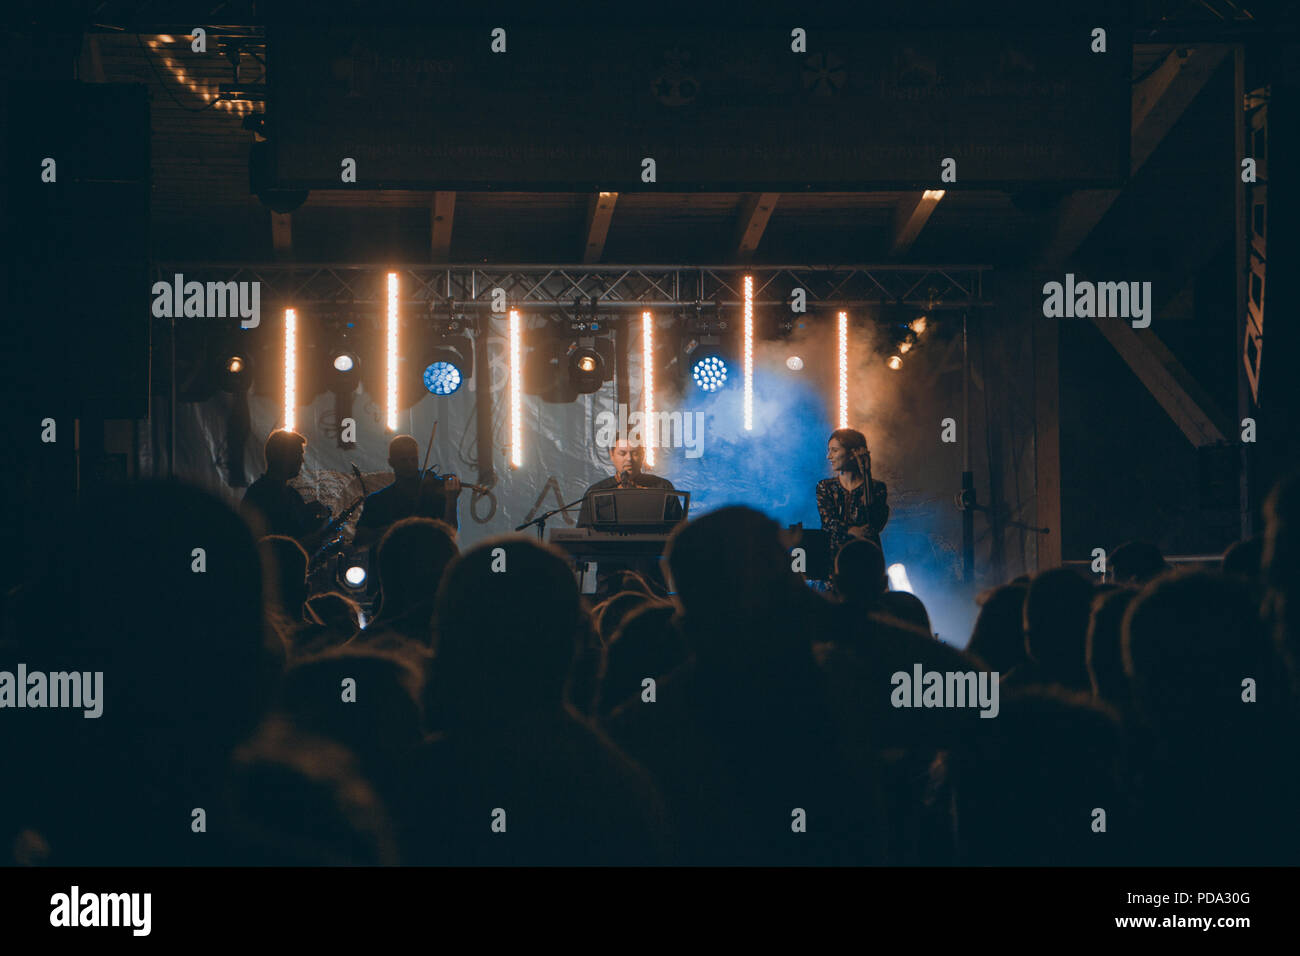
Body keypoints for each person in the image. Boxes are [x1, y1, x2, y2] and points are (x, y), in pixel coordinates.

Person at [354, 435, 463, 548]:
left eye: (414, 459)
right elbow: (359, 540)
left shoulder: (433, 497)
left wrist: (451, 501)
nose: (410, 465)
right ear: (391, 462)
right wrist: (394, 530)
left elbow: (451, 534)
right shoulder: (377, 500)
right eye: (403, 460)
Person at [240, 429, 331, 549]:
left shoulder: (291, 495)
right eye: (299, 454)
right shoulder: (259, 496)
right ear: (285, 457)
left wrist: (313, 515)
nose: (302, 461)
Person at [816, 428, 889, 566]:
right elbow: (828, 522)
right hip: (834, 561)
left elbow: (875, 522)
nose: (829, 456)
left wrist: (867, 473)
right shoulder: (825, 487)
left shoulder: (877, 488)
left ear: (852, 453)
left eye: (834, 450)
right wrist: (852, 531)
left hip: (866, 560)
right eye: (829, 450)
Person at [576, 439, 676, 527]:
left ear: (643, 455)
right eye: (623, 453)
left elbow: (678, 530)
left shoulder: (663, 487)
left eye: (635, 453)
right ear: (612, 455)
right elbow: (584, 533)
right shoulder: (596, 492)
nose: (629, 458)